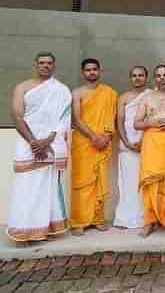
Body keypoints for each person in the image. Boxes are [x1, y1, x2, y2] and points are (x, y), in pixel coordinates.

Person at [7, 52, 71, 245]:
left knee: (48, 188)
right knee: (27, 187)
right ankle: (23, 232)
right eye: (42, 63)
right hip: (28, 145)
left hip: (50, 145)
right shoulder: (22, 87)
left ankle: (44, 229)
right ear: (35, 64)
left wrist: (48, 140)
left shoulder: (61, 90)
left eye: (49, 63)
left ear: (54, 65)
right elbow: (17, 116)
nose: (45, 66)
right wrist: (34, 142)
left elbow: (64, 118)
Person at [70, 58, 118, 235]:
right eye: (88, 70)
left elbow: (112, 117)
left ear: (99, 71)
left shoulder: (110, 93)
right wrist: (93, 137)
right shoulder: (77, 93)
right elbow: (76, 119)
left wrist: (104, 137)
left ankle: (97, 219)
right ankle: (79, 221)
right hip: (83, 142)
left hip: (103, 142)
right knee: (82, 182)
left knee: (99, 180)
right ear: (83, 73)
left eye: (94, 69)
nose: (91, 72)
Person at [135, 64, 165, 238]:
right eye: (158, 75)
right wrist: (150, 123)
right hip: (152, 144)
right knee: (150, 184)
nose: (162, 78)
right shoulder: (146, 98)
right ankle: (150, 221)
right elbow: (137, 123)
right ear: (154, 78)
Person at [113, 66, 150, 230]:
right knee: (127, 182)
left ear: (146, 77)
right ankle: (124, 218)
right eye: (134, 75)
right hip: (126, 144)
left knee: (144, 183)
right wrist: (126, 142)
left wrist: (143, 141)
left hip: (146, 144)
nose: (137, 78)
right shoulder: (123, 97)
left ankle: (145, 218)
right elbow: (119, 121)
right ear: (130, 78)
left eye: (141, 75)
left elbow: (151, 119)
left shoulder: (151, 95)